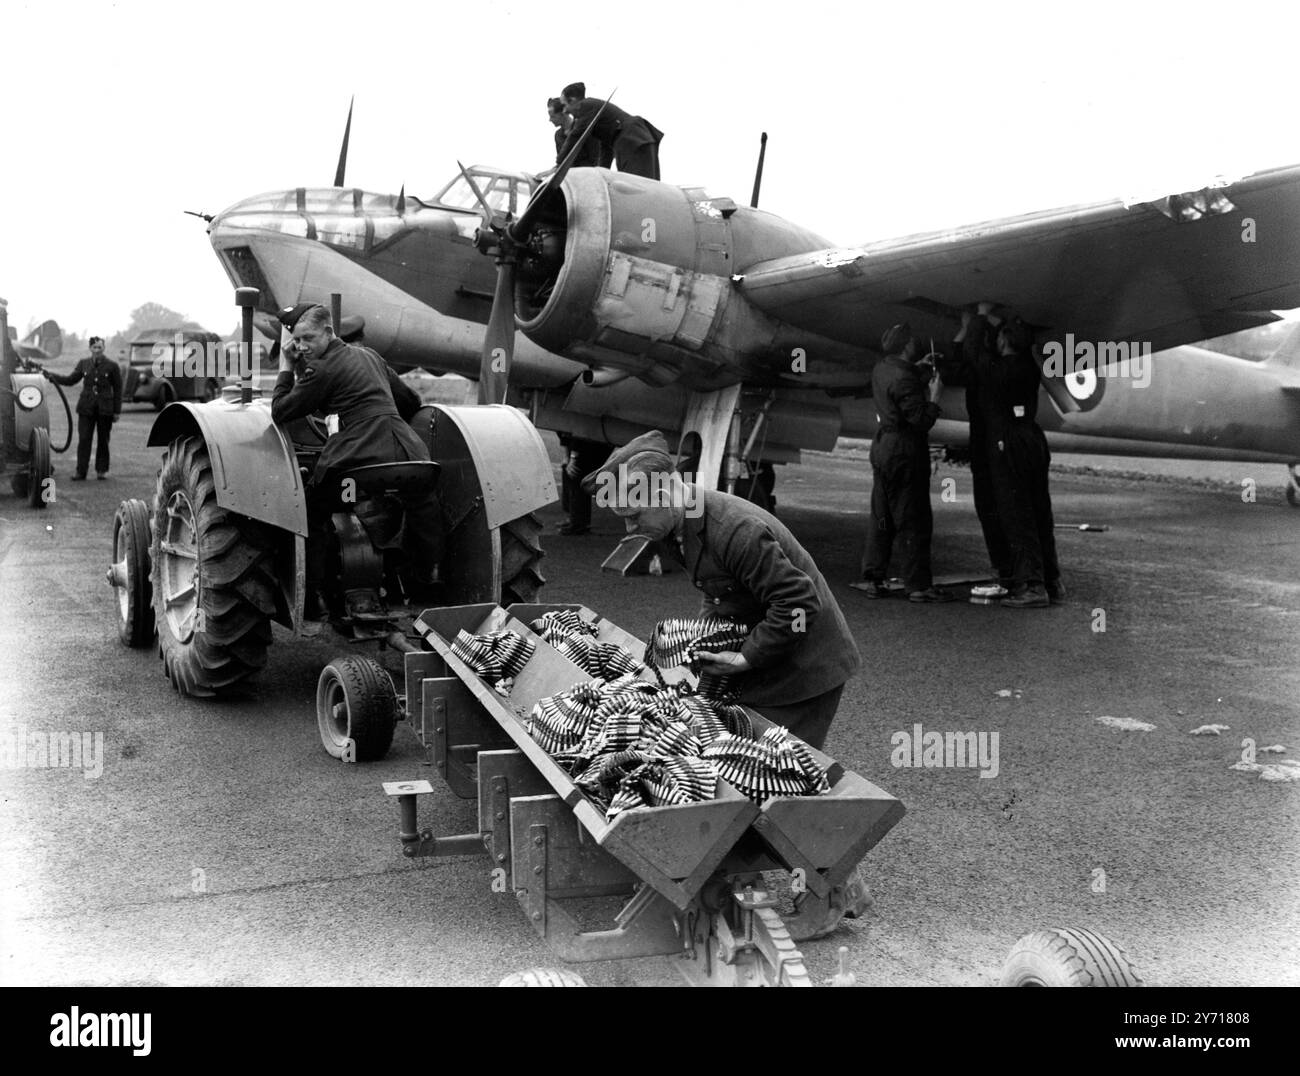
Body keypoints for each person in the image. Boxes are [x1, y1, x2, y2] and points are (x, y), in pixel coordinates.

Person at [580, 430, 861, 751]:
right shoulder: (678, 523)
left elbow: (800, 606)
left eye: (634, 515)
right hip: (770, 655)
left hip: (804, 670)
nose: (630, 528)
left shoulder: (736, 531)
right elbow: (719, 592)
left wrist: (746, 657)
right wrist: (703, 640)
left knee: (778, 778)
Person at [271, 303, 441, 612]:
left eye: (307, 338)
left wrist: (286, 366)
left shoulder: (321, 370)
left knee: (309, 510)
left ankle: (315, 597)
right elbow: (410, 401)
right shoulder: (370, 356)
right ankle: (427, 577)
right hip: (409, 453)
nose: (301, 346)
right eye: (295, 341)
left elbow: (281, 410)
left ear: (328, 332)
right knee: (418, 503)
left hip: (358, 460)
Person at [949, 305, 1063, 607]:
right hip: (1031, 441)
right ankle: (1051, 581)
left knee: (1017, 515)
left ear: (1005, 342)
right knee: (1039, 513)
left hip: (1008, 444)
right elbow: (973, 358)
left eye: (1000, 338)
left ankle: (1032, 587)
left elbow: (974, 355)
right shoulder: (1025, 364)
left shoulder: (1001, 370)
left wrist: (977, 320)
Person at [853, 324, 953, 602]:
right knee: (914, 518)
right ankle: (918, 586)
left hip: (883, 446)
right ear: (907, 345)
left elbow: (898, 384)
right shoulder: (904, 379)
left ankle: (874, 578)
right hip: (905, 450)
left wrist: (918, 368)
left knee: (882, 515)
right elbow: (921, 419)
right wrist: (935, 396)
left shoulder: (882, 368)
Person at [939, 311, 1014, 593]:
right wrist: (970, 328)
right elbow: (961, 356)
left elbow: (963, 356)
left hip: (993, 451)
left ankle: (1010, 575)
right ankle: (1014, 574)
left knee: (996, 510)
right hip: (994, 448)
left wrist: (976, 320)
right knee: (1000, 511)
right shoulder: (996, 365)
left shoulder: (987, 369)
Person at [43, 336, 121, 480]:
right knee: (84, 439)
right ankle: (81, 471)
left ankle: (101, 470)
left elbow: (118, 389)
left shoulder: (112, 366)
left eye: (100, 347)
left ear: (104, 348)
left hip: (105, 409)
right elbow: (70, 380)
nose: (97, 350)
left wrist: (117, 411)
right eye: (94, 347)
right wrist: (52, 376)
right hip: (86, 408)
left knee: (103, 440)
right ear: (90, 348)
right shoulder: (83, 364)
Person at [559, 82, 662, 180]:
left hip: (633, 140)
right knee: (644, 184)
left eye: (564, 106)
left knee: (637, 187)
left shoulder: (586, 106)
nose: (564, 111)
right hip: (638, 139)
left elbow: (576, 136)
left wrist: (559, 164)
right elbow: (606, 148)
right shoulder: (597, 117)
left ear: (572, 100)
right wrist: (601, 173)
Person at [557, 433, 609, 534]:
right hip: (581, 441)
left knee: (577, 471)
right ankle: (572, 516)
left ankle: (579, 523)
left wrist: (573, 459)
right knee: (567, 468)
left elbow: (580, 436)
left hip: (592, 440)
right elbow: (565, 436)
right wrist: (567, 457)